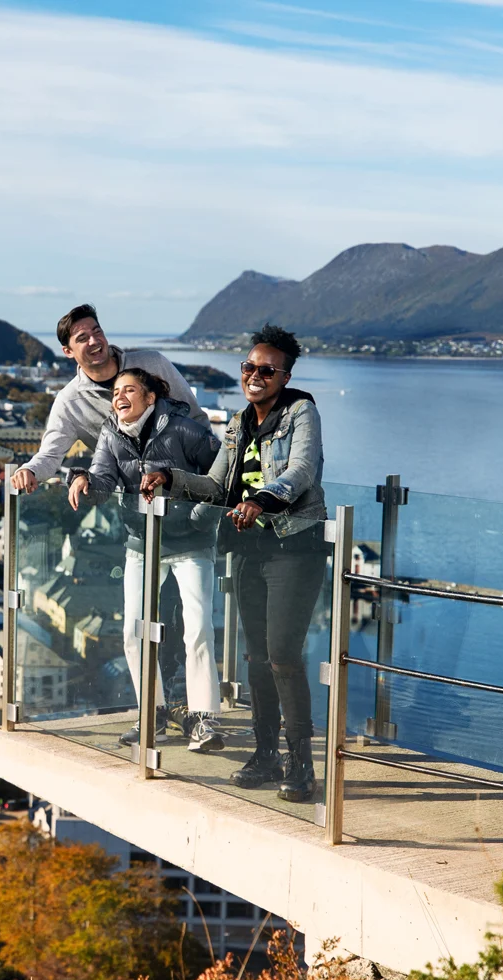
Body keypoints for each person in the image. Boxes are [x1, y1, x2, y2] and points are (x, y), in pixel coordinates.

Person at [141, 324, 326, 801]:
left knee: (284, 656)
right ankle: (265, 754)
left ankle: (300, 764)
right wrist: (169, 477)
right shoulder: (238, 423)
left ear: (285, 376)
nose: (255, 375)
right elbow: (217, 486)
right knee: (257, 657)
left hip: (294, 548)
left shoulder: (301, 411)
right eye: (249, 367)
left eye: (267, 369)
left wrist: (264, 499)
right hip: (248, 551)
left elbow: (302, 470)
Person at [68, 367, 222, 747]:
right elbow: (104, 480)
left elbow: (223, 476)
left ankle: (204, 719)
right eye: (115, 391)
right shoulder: (111, 431)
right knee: (134, 630)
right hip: (142, 540)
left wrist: (202, 518)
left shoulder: (185, 430)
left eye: (129, 390)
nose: (119, 396)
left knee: (198, 628)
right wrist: (82, 479)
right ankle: (151, 713)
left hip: (190, 542)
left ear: (150, 398)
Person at [11, 304, 201, 494]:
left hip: (189, 493)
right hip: (134, 505)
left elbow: (197, 419)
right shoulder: (69, 402)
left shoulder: (153, 363)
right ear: (68, 351)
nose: (94, 341)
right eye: (82, 338)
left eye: (97, 331)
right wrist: (29, 470)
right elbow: (51, 454)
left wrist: (206, 484)